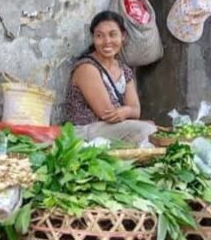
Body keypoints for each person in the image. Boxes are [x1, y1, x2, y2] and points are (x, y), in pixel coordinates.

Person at [64, 11, 157, 144]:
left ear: (123, 36)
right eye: (99, 36)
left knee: (153, 132)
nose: (107, 41)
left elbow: (136, 109)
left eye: (113, 35)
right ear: (93, 38)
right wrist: (130, 116)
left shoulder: (124, 70)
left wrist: (126, 112)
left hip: (112, 128)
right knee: (146, 131)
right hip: (85, 130)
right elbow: (107, 114)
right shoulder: (87, 68)